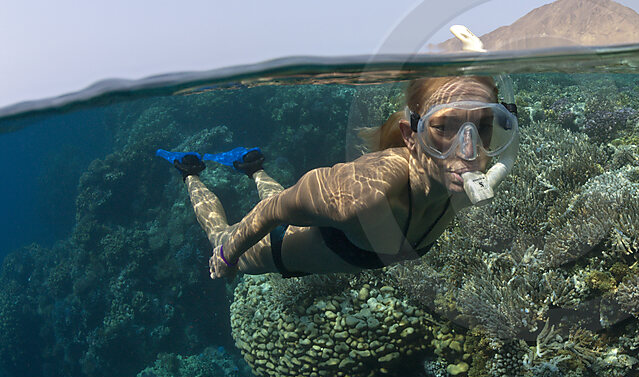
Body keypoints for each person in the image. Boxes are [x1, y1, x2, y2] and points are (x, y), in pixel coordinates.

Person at [156, 76, 518, 280]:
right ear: (411, 135)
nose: (467, 151)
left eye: (483, 126)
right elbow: (273, 211)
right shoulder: (368, 196)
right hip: (279, 249)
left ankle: (251, 166)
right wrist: (228, 255)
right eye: (444, 128)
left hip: (315, 230)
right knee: (220, 234)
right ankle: (189, 172)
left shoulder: (465, 181)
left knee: (276, 193)